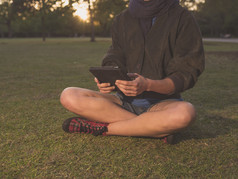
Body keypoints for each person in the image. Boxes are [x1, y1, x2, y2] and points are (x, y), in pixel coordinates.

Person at [60, 0, 205, 144]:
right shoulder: (122, 19)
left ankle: (103, 128)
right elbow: (114, 56)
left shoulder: (182, 18)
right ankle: (153, 130)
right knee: (69, 95)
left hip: (163, 104)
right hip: (122, 101)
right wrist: (108, 78)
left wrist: (148, 85)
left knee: (186, 113)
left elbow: (187, 71)